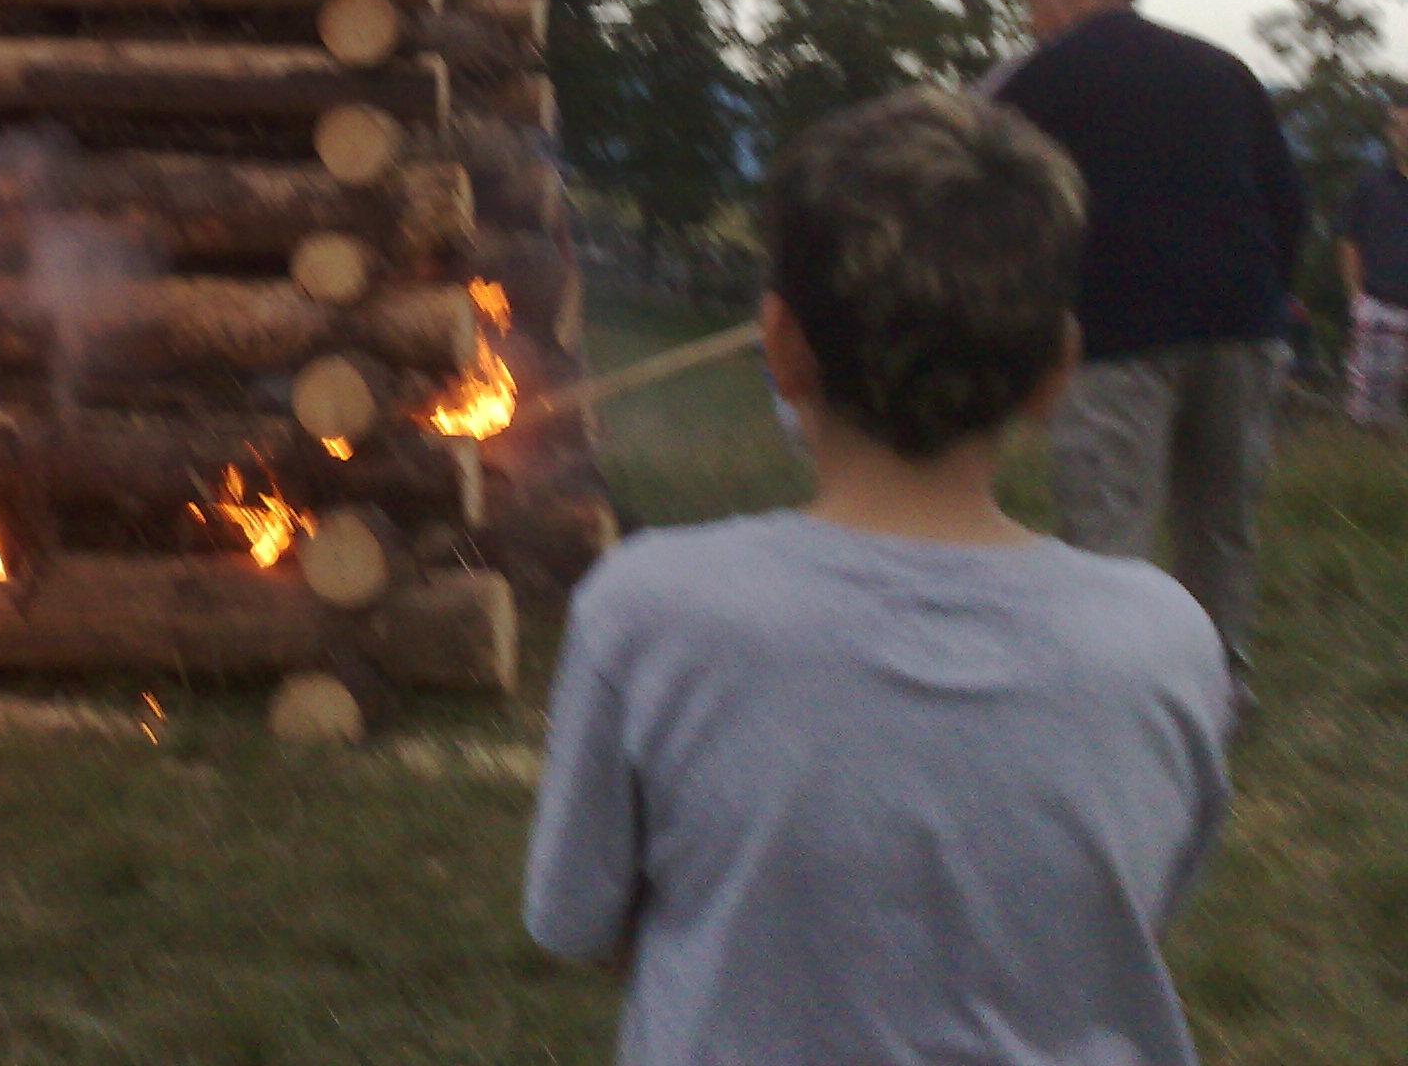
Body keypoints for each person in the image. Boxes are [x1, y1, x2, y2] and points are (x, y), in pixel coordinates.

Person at [524, 88, 1232, 1066]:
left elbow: (577, 919)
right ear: (1056, 371)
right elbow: (1135, 912)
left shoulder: (647, 610)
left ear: (782, 346)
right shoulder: (1165, 640)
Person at [990, 0, 1305, 680]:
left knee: (1109, 528)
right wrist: (1267, 300)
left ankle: (1115, 690)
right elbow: (1287, 199)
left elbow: (983, 193)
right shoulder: (1222, 69)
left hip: (1115, 332)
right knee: (1222, 525)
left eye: (1034, 1)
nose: (1033, 21)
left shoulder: (1044, 79)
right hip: (1243, 326)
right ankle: (1218, 689)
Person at [1338, 93, 1408, 432]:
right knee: (1370, 418)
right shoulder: (1371, 184)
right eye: (1397, 126)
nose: (1403, 134)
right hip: (1378, 308)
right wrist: (1357, 298)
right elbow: (1349, 240)